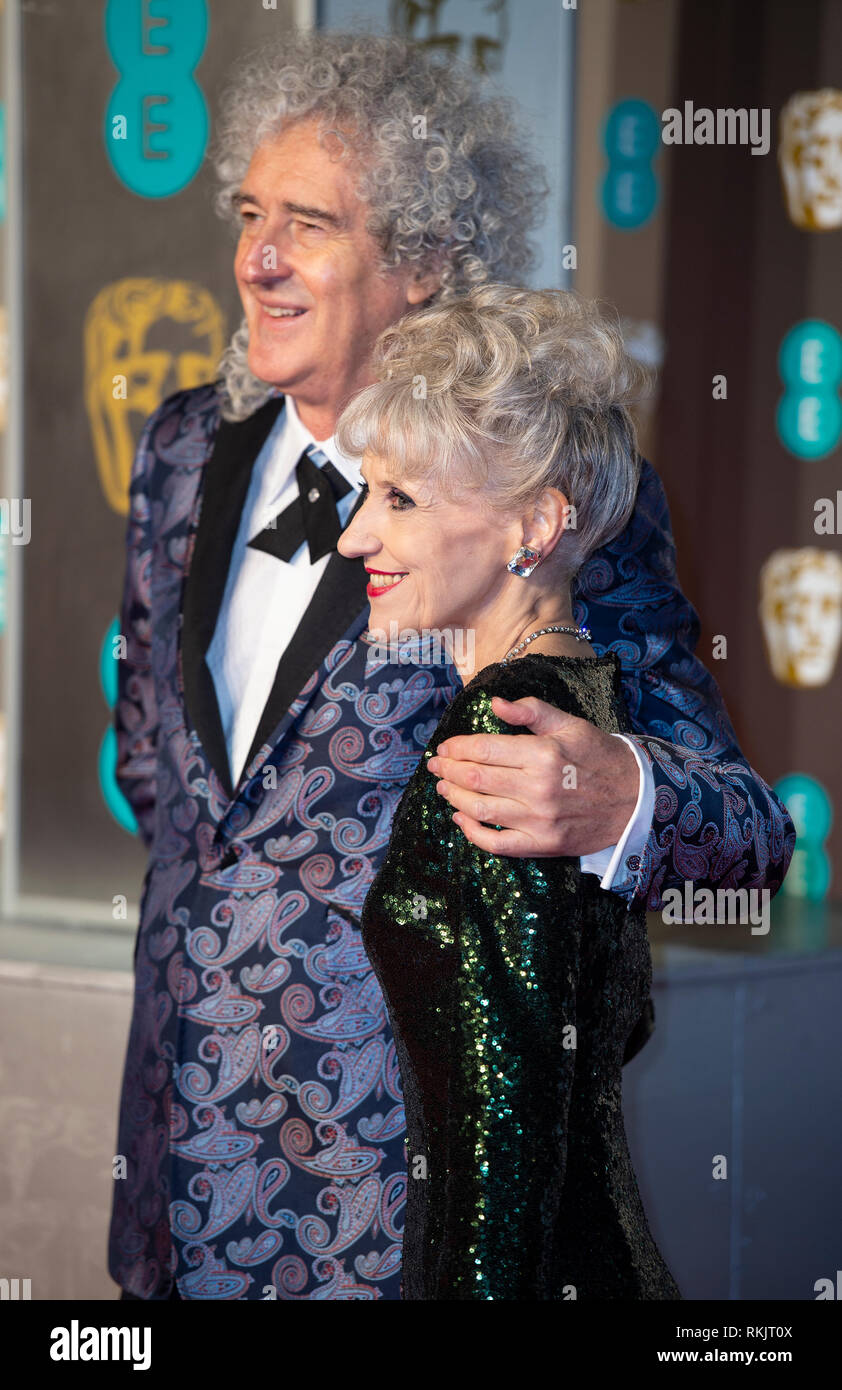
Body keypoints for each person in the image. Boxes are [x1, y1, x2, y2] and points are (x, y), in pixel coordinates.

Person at [109, 31, 793, 1301]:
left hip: (397, 1219)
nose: (256, 257)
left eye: (307, 223)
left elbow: (747, 829)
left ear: (419, 263)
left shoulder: (548, 497)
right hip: (167, 1175)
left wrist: (621, 796)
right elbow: (152, 757)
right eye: (249, 213)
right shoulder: (180, 449)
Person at [335, 284, 681, 1300]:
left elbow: (508, 1136)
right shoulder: (591, 707)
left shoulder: (506, 735)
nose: (357, 537)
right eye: (367, 492)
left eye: (399, 499)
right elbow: (613, 1023)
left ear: (535, 522)